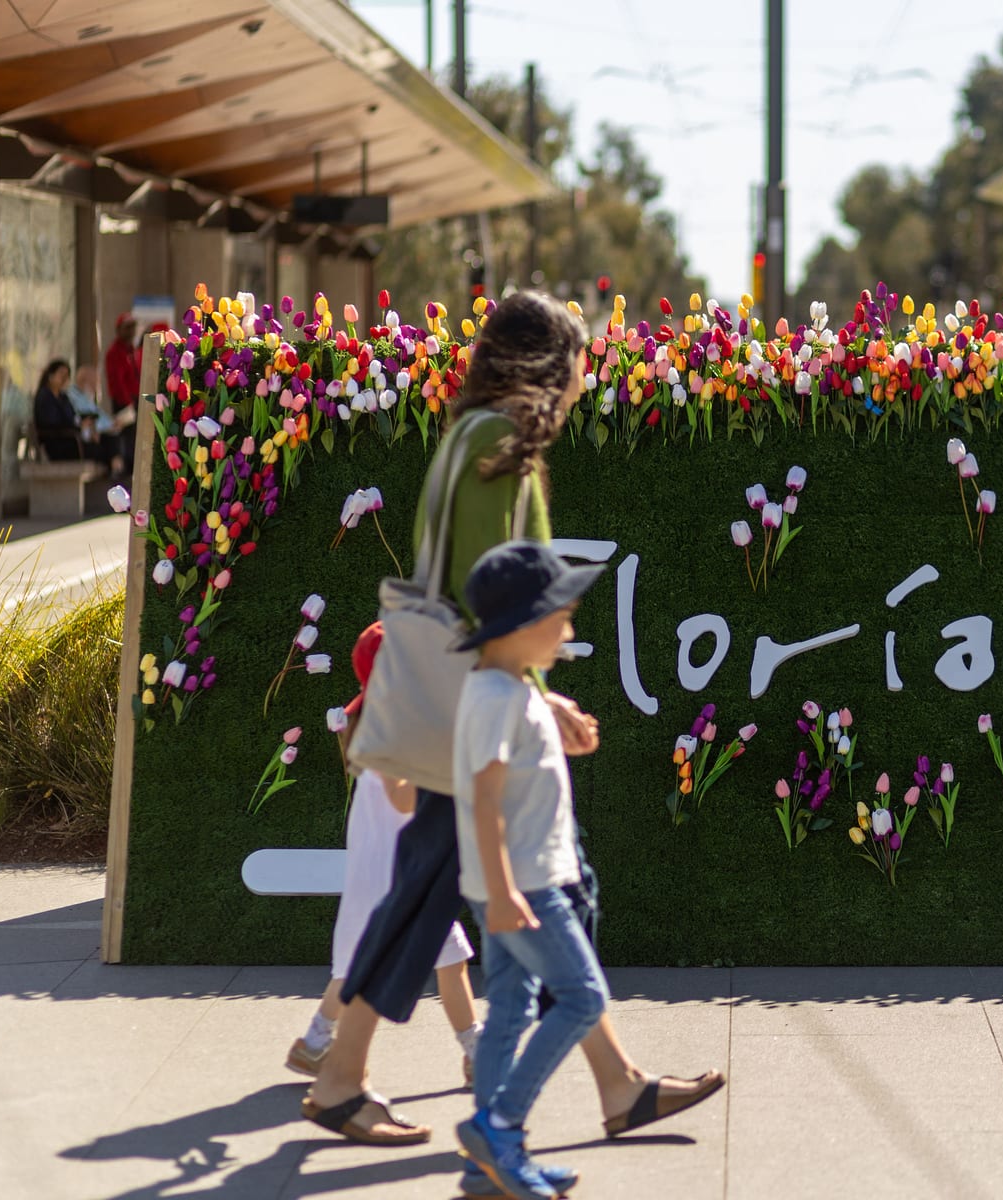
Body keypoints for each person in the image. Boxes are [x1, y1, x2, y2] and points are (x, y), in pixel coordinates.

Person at [301, 292, 723, 1154]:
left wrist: (537, 695)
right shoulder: (497, 448)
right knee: (481, 898)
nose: (579, 385)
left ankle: (617, 1083)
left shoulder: (468, 440)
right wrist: (537, 697)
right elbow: (495, 593)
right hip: (476, 724)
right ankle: (347, 1077)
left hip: (469, 713)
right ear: (541, 368)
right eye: (574, 367)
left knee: (518, 893)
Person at [453, 542, 608, 1199]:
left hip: (515, 881)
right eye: (561, 619)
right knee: (583, 996)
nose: (569, 632)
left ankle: (486, 1165)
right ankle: (500, 1125)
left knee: (510, 1008)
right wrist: (505, 891)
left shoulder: (510, 689)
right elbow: (484, 800)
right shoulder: (495, 697)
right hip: (522, 887)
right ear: (521, 626)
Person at [286, 621, 483, 1086]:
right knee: (365, 974)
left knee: (421, 964)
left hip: (391, 877)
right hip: (395, 882)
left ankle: (316, 1044)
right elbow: (401, 797)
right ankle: (321, 1047)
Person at [33, 359, 122, 473]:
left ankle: (116, 469)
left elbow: (74, 417)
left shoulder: (63, 397)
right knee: (99, 450)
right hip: (59, 444)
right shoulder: (45, 397)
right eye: (61, 374)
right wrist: (78, 428)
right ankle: (115, 471)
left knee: (110, 439)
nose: (64, 378)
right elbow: (51, 425)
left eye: (67, 375)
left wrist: (84, 423)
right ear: (51, 376)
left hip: (72, 439)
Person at [105, 314, 140, 472]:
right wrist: (128, 402)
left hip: (134, 399)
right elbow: (117, 381)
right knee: (126, 438)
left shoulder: (131, 350)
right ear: (119, 330)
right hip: (123, 401)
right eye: (127, 328)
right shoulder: (114, 352)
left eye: (132, 327)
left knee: (134, 437)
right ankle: (127, 469)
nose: (131, 331)